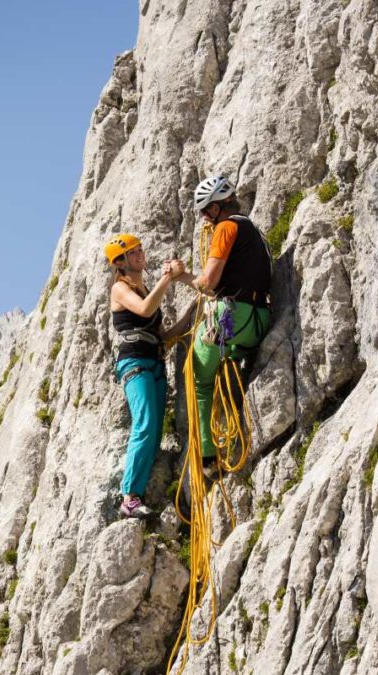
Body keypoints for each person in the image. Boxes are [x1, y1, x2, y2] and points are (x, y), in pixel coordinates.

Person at [172, 176, 273, 468]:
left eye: (206, 210)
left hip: (234, 317)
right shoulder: (251, 228)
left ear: (218, 207)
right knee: (222, 363)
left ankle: (207, 457)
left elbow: (209, 284)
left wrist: (181, 276)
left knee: (195, 376)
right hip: (259, 319)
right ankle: (235, 370)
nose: (204, 217)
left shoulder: (226, 228)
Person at [106, 233, 187, 517]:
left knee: (154, 432)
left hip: (154, 360)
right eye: (133, 252)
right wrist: (168, 279)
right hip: (135, 362)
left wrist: (191, 312)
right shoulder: (119, 289)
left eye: (140, 249)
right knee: (145, 423)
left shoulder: (145, 289)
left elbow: (163, 336)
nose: (141, 254)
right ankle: (129, 497)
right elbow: (143, 309)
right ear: (122, 261)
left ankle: (139, 494)